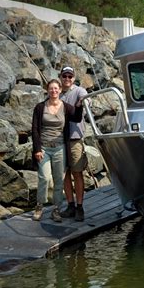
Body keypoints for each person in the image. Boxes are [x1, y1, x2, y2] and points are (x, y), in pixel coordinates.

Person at [32, 79, 83, 222]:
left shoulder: (66, 107)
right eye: (51, 89)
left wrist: (78, 106)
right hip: (44, 148)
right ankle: (39, 206)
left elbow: (77, 118)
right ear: (47, 91)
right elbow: (35, 129)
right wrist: (37, 149)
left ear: (60, 90)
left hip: (60, 148)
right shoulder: (40, 107)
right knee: (44, 177)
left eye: (56, 89)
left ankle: (56, 209)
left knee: (59, 180)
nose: (53, 91)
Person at [58, 66, 89, 221]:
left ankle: (79, 207)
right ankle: (70, 205)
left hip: (75, 140)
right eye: (65, 76)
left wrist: (83, 102)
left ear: (74, 78)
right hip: (60, 140)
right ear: (60, 77)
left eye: (70, 76)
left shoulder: (79, 91)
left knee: (77, 172)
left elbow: (86, 99)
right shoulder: (56, 94)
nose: (67, 79)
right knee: (65, 174)